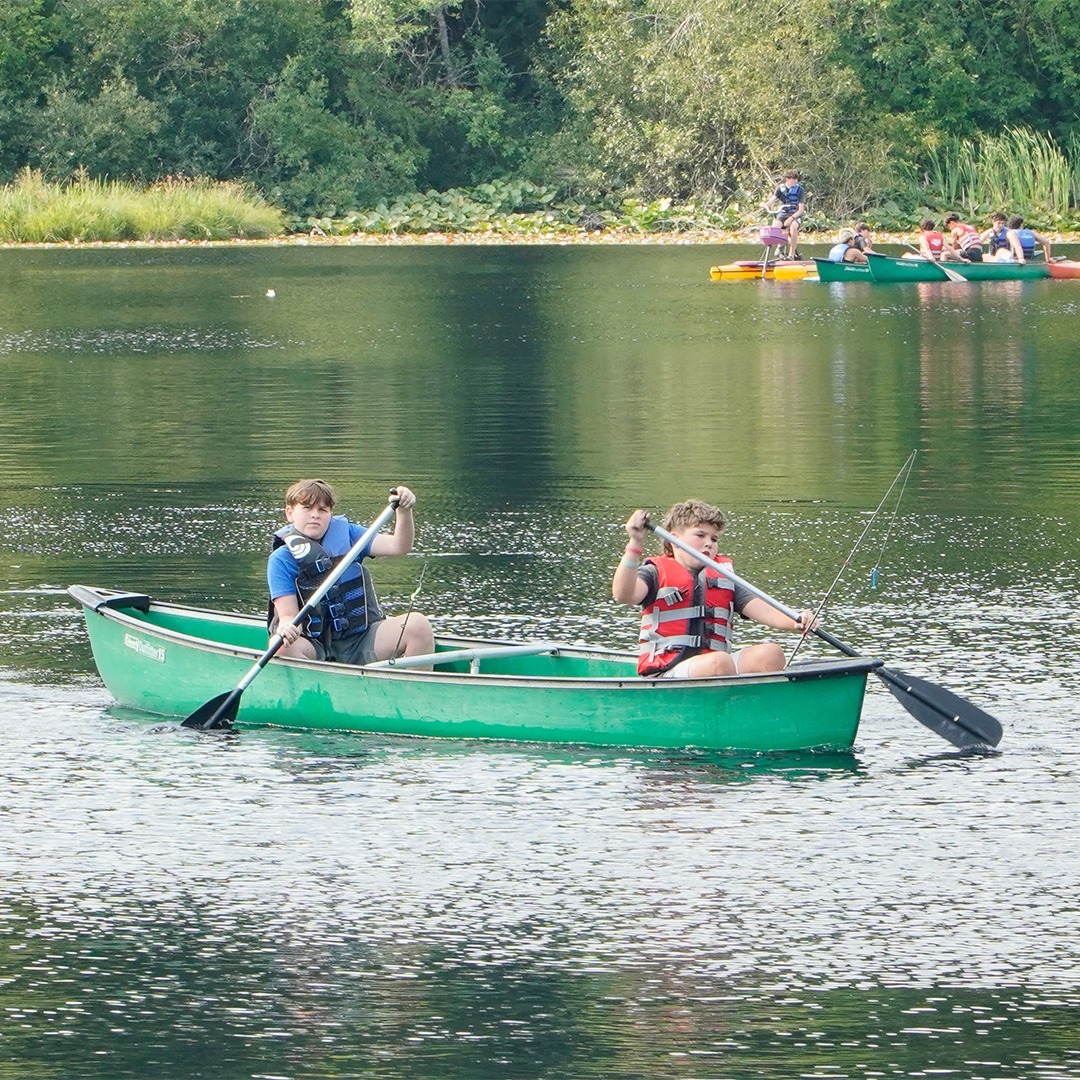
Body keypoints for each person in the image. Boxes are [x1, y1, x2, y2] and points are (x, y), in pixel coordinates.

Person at [612, 500, 818, 678]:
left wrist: (797, 620)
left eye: (714, 539)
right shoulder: (655, 572)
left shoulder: (724, 577)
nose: (708, 544)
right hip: (668, 670)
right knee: (719, 662)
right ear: (674, 539)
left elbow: (765, 611)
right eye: (700, 535)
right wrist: (635, 543)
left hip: (718, 666)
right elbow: (624, 595)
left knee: (771, 654)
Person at [268, 479, 434, 665]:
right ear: (290, 513)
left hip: (360, 638)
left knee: (418, 626)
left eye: (322, 510)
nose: (315, 515)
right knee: (280, 645)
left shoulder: (350, 535)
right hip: (313, 645)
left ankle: (412, 692)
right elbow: (288, 616)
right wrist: (287, 628)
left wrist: (404, 510)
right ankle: (320, 687)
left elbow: (399, 546)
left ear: (330, 513)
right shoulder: (281, 559)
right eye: (307, 508)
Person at [763, 169, 806, 260]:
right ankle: (780, 246)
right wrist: (765, 205)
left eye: (796, 179)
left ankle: (791, 254)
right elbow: (771, 201)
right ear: (787, 179)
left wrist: (791, 218)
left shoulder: (799, 190)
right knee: (776, 227)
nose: (795, 181)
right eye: (793, 179)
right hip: (783, 213)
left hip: (795, 214)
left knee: (793, 227)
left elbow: (801, 210)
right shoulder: (780, 188)